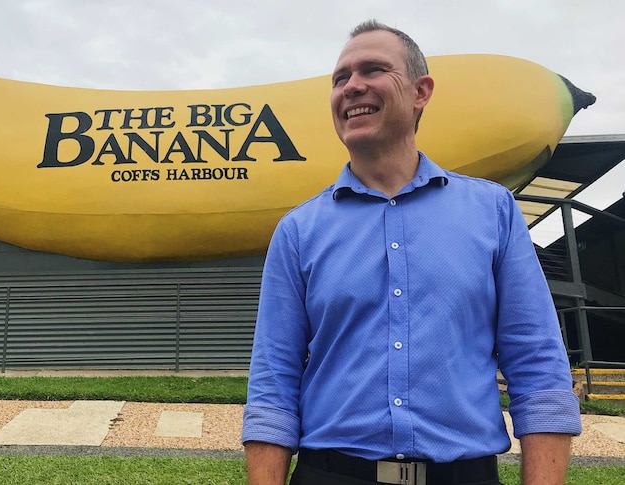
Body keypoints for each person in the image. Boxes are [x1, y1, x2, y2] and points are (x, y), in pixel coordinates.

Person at [242, 19, 581, 485]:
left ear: (421, 91)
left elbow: (538, 366)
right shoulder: (298, 230)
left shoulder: (493, 212)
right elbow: (273, 381)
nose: (352, 86)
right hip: (332, 474)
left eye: (373, 70)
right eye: (340, 78)